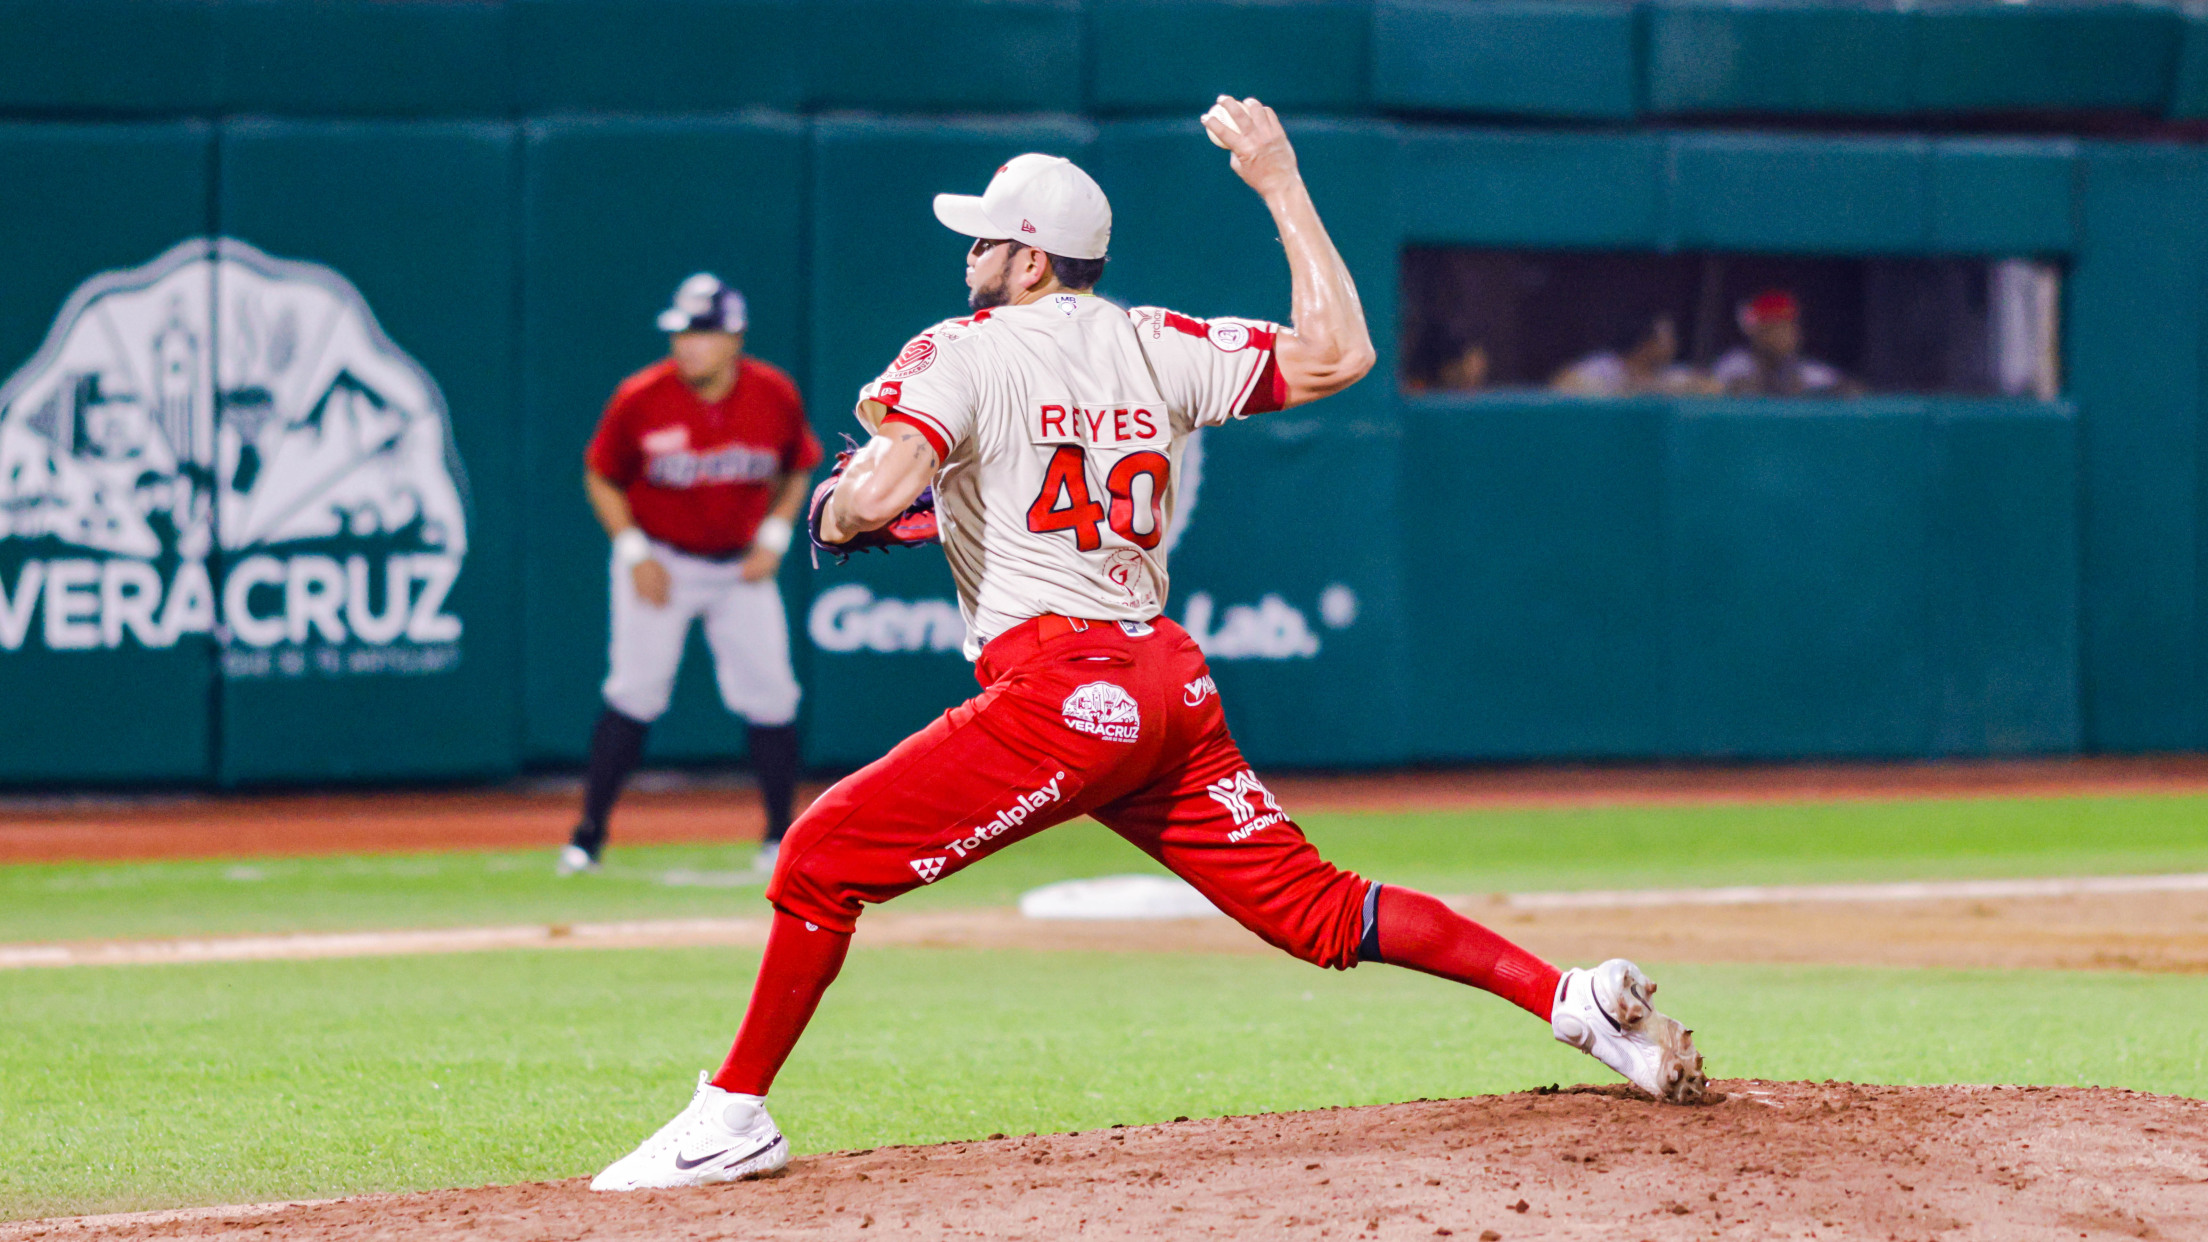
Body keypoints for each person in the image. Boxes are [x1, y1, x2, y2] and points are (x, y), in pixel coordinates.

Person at [586, 99, 1707, 1193]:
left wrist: (837, 512)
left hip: (1063, 692)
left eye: (985, 239)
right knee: (1318, 907)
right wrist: (1279, 182)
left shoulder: (960, 349)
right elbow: (1339, 353)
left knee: (817, 861)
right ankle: (1571, 1001)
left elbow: (877, 492)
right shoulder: (1153, 340)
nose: (969, 255)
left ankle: (731, 1118)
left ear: (1031, 259)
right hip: (1167, 685)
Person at [560, 274, 823, 878]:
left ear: (734, 338)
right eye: (681, 333)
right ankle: (587, 837)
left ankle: (779, 837)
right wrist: (634, 552)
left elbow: (798, 465)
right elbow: (600, 474)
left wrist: (775, 536)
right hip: (664, 560)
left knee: (772, 694)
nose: (688, 345)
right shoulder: (642, 395)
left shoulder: (772, 392)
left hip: (739, 567)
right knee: (635, 691)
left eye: (702, 333)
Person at [1710, 290, 1851, 397]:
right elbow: (1712, 387)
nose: (1783, 336)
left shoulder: (1808, 371)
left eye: (1788, 327)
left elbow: (1849, 390)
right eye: (1774, 328)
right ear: (1757, 333)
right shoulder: (1734, 364)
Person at [1551, 315, 1714, 396]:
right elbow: (1559, 384)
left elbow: (1714, 389)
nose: (1673, 343)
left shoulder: (1670, 374)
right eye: (1667, 338)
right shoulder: (1606, 366)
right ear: (1646, 342)